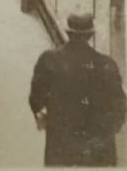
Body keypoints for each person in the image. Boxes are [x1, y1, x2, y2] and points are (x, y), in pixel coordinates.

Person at [29, 10, 126, 166]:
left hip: (61, 147)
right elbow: (120, 106)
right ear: (91, 34)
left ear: (68, 32)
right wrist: (106, 132)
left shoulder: (49, 60)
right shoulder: (107, 64)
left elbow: (36, 99)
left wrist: (46, 116)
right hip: (98, 149)